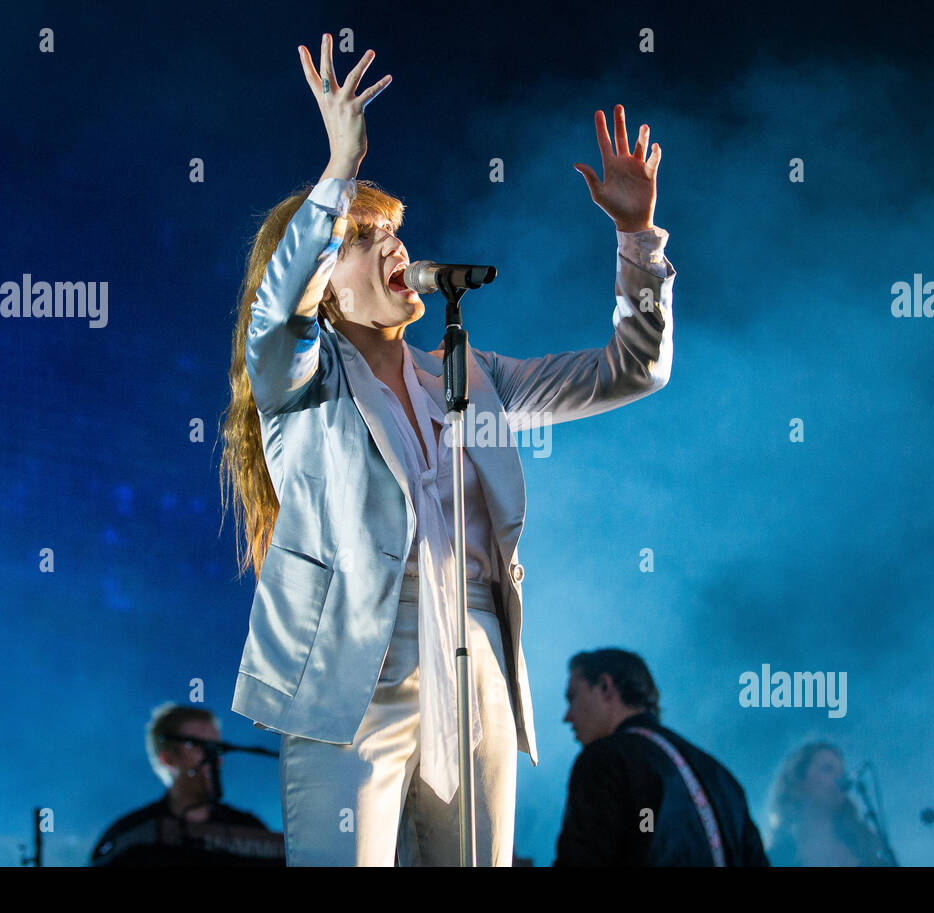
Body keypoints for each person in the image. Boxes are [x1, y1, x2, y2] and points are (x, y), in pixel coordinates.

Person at [218, 34, 675, 866]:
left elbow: (631, 370)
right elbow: (273, 315)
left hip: (477, 665)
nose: (395, 247)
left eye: (393, 231)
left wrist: (637, 239)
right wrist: (338, 171)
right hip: (355, 679)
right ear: (324, 278)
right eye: (365, 239)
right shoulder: (301, 383)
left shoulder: (475, 378)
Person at [554, 649, 768, 866]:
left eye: (572, 697)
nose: (567, 716)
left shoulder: (604, 760)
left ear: (605, 687)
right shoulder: (722, 778)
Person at [90, 704, 274, 866]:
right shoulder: (130, 835)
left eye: (217, 748)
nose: (214, 759)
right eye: (198, 746)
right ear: (167, 758)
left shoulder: (251, 829)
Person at [763, 741, 893, 866]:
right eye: (828, 769)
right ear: (798, 783)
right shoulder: (777, 856)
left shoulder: (864, 843)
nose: (839, 778)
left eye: (842, 772)